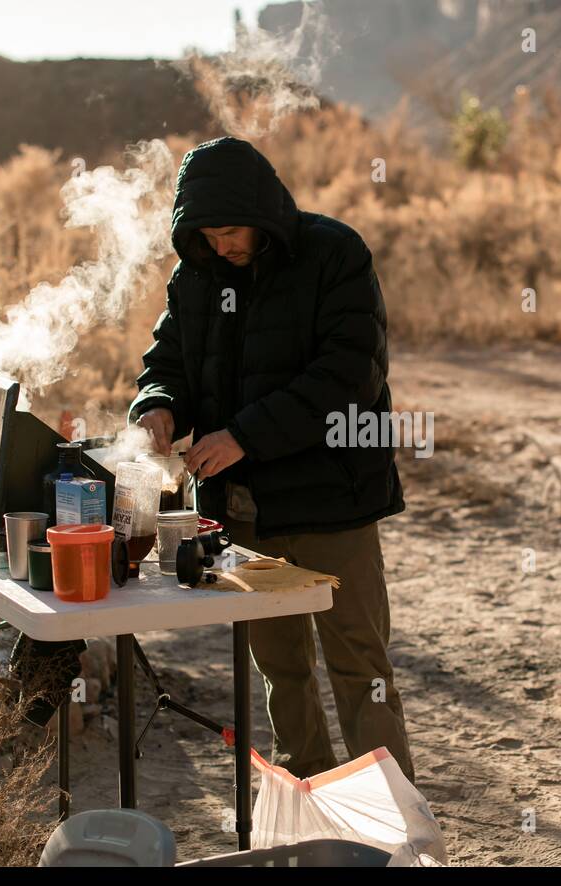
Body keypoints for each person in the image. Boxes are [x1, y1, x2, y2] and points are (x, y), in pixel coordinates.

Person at [127, 136, 415, 783]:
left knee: (358, 669)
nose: (221, 246)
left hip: (331, 502)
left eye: (230, 232)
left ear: (261, 214)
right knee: (280, 667)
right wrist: (159, 405)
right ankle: (307, 803)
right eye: (206, 235)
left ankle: (396, 823)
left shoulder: (333, 254)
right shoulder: (195, 275)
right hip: (240, 512)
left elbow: (349, 376)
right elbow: (165, 363)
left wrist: (244, 436)